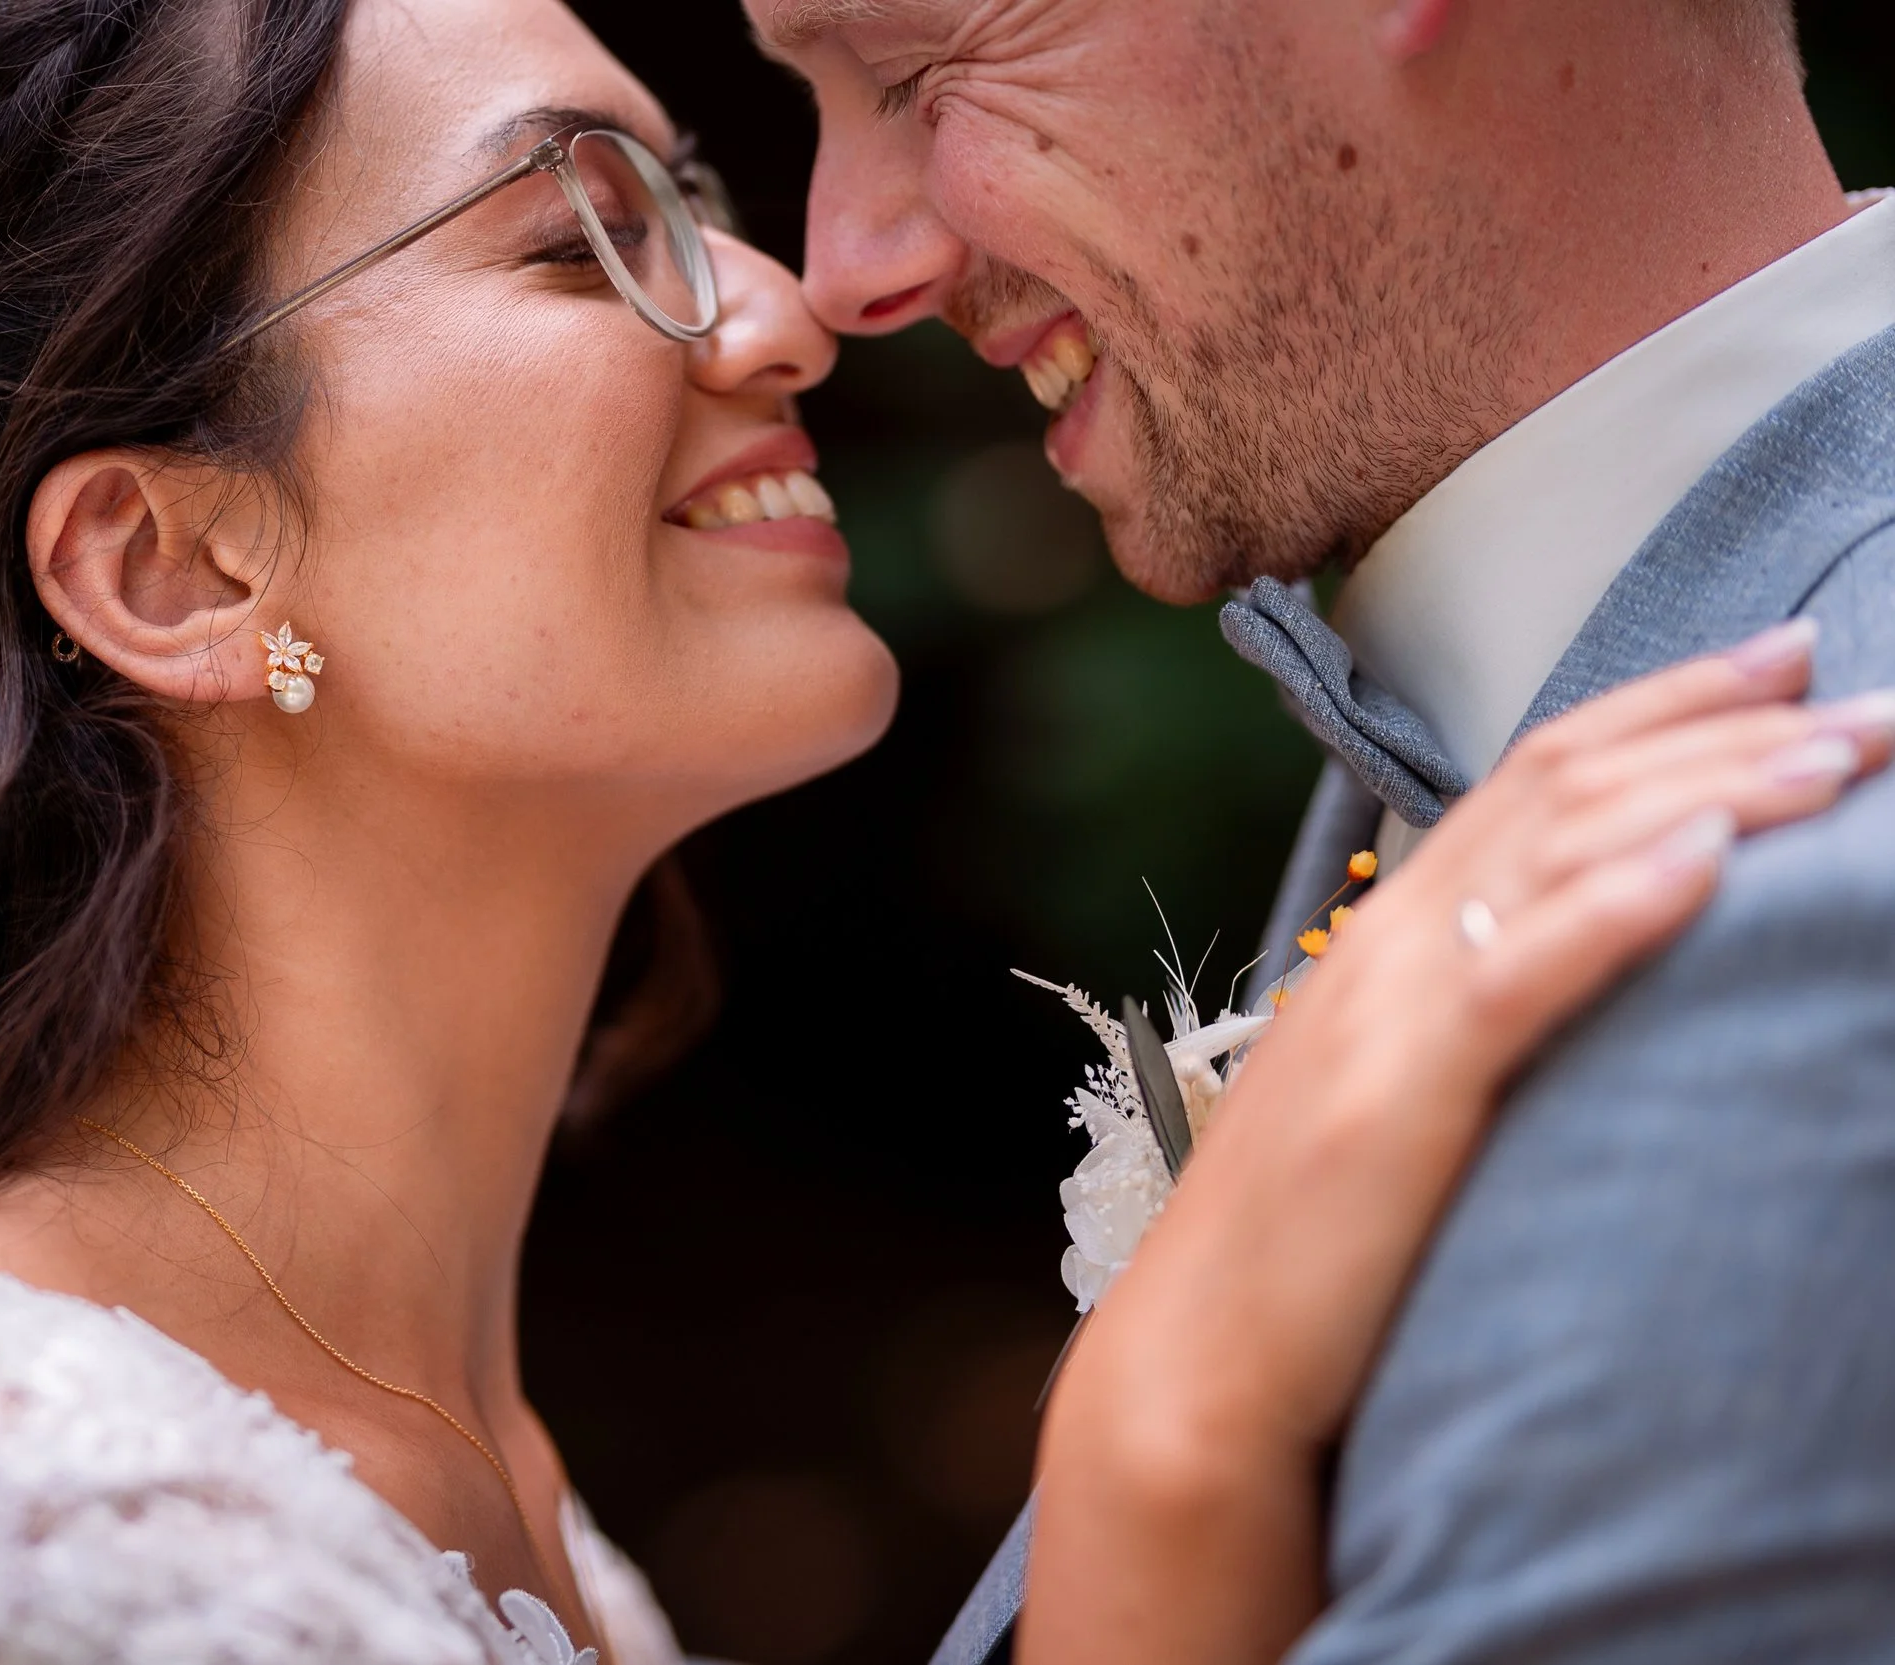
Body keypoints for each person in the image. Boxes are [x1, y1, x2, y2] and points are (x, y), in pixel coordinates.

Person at [0, 5, 1882, 1665]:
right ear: (178, 566)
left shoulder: (472, 1463)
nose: (791, 303)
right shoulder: (15, 1510)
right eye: (579, 236)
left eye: (693, 204)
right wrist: (1170, 1435)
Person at [744, 0, 1895, 1658]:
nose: (842, 269)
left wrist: (1160, 1449)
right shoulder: (1498, 707)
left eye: (917, 71)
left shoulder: (1808, 927)